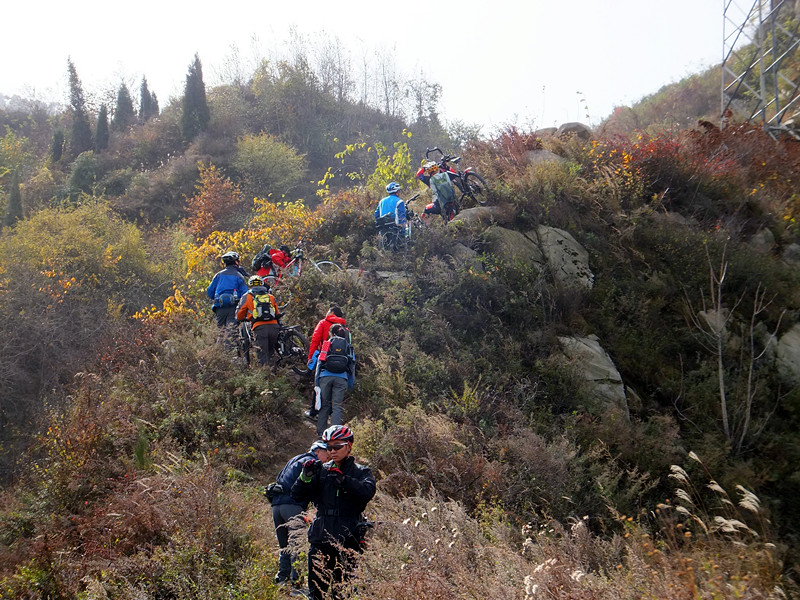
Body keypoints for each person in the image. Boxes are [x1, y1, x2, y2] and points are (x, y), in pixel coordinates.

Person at [291, 425, 376, 600]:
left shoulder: (361, 471)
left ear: (349, 446)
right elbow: (297, 495)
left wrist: (344, 481)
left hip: (348, 539)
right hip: (321, 538)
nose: (332, 451)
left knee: (342, 593)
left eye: (337, 446)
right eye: (329, 447)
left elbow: (367, 492)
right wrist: (305, 476)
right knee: (316, 593)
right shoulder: (321, 470)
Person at [270, 440, 331, 586]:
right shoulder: (311, 463)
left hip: (277, 506)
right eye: (326, 454)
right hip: (292, 506)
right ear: (317, 451)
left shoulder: (295, 459)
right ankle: (296, 584)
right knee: (296, 545)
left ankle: (281, 578)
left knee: (284, 545)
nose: (328, 458)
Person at [308, 324, 355, 437]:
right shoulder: (348, 346)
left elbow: (320, 363)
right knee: (337, 406)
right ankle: (335, 434)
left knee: (324, 405)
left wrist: (317, 382)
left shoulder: (327, 343)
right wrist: (350, 383)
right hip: (342, 378)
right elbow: (352, 365)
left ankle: (321, 433)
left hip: (325, 377)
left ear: (331, 333)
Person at [305, 306, 349, 420]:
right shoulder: (344, 327)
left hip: (324, 359)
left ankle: (314, 412)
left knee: (319, 385)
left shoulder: (323, 323)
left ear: (332, 312)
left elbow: (315, 340)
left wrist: (310, 357)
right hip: (341, 364)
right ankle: (331, 415)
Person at [235, 275, 280, 368]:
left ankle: (265, 374)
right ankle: (274, 371)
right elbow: (277, 312)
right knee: (271, 351)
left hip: (259, 327)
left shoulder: (247, 296)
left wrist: (239, 318)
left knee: (262, 354)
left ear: (250, 285)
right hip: (274, 327)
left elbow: (240, 312)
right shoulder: (270, 296)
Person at [206, 251, 249, 342]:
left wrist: (217, 298)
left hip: (219, 307)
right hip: (233, 308)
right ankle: (229, 350)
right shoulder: (239, 276)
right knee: (230, 333)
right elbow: (245, 295)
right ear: (236, 262)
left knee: (220, 332)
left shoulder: (218, 275)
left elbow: (210, 292)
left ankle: (218, 349)